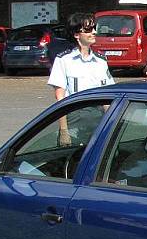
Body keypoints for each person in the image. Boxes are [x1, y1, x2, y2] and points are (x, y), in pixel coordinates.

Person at [48, 12, 114, 145]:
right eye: (89, 29)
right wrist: (64, 131)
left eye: (94, 28)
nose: (94, 32)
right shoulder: (64, 60)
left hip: (98, 120)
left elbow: (108, 99)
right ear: (76, 34)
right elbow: (60, 100)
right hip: (75, 120)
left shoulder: (101, 61)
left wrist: (110, 127)